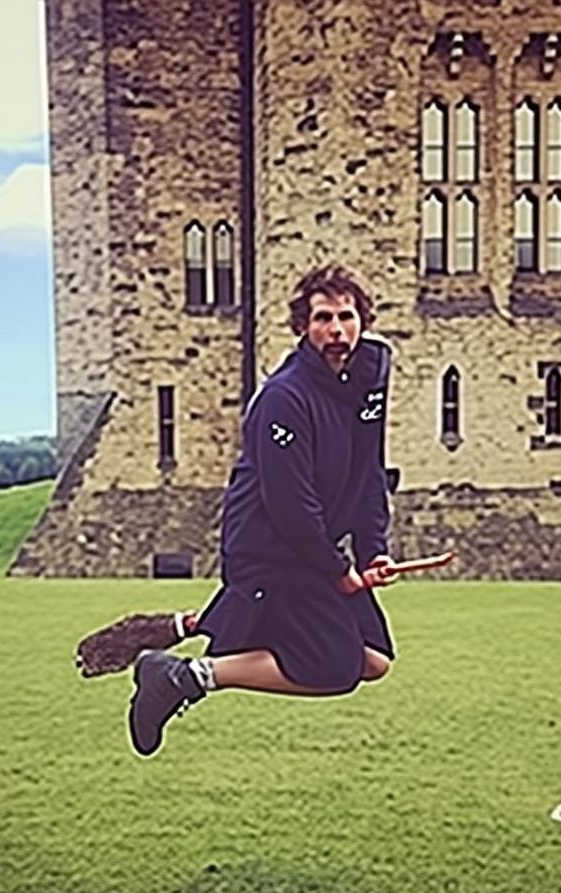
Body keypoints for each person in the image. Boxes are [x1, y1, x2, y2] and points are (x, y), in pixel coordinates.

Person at [128, 264, 399, 756]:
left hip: (313, 549)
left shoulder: (365, 384)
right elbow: (289, 502)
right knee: (332, 668)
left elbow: (368, 470)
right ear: (302, 326)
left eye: (346, 317)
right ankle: (183, 677)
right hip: (270, 550)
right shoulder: (282, 399)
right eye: (322, 319)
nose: (336, 330)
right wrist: (339, 570)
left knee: (374, 658)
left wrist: (371, 551)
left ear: (363, 320)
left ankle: (191, 643)